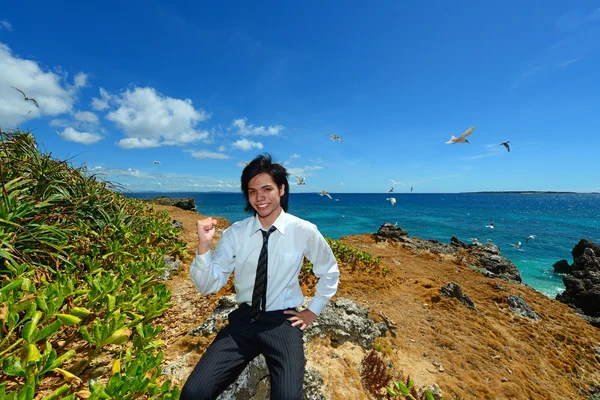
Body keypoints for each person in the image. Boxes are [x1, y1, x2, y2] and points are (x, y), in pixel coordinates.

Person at [181, 153, 340, 399]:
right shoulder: (236, 233)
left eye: (267, 188)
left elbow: (329, 270)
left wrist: (312, 310)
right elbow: (207, 285)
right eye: (252, 191)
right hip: (243, 321)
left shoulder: (304, 231)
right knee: (193, 393)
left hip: (282, 322)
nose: (260, 197)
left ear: (282, 189)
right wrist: (204, 246)